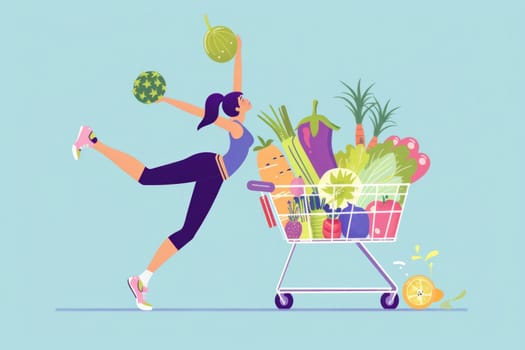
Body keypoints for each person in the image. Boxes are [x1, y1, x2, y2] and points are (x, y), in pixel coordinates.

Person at [71, 36, 253, 311]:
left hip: (216, 177)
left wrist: (238, 52)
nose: (246, 98)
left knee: (188, 232)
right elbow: (204, 112)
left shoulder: (239, 120)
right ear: (238, 106)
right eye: (243, 99)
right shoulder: (236, 127)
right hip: (209, 166)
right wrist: (167, 100)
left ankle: (142, 280)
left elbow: (236, 84)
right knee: (147, 177)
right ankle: (91, 141)